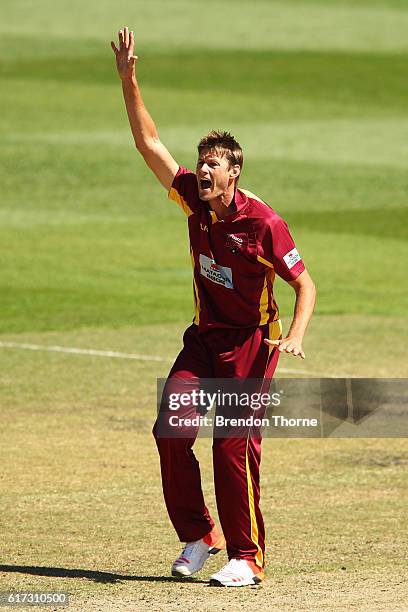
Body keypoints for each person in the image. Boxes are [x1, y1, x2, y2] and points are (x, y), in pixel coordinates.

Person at [111, 27, 316, 587]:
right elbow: (148, 145)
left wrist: (294, 336)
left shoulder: (263, 223)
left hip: (252, 343)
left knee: (232, 445)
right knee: (170, 428)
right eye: (199, 162)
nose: (201, 171)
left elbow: (307, 286)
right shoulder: (194, 205)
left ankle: (246, 558)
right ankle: (201, 535)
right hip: (203, 338)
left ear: (234, 173)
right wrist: (130, 81)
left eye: (212, 165)